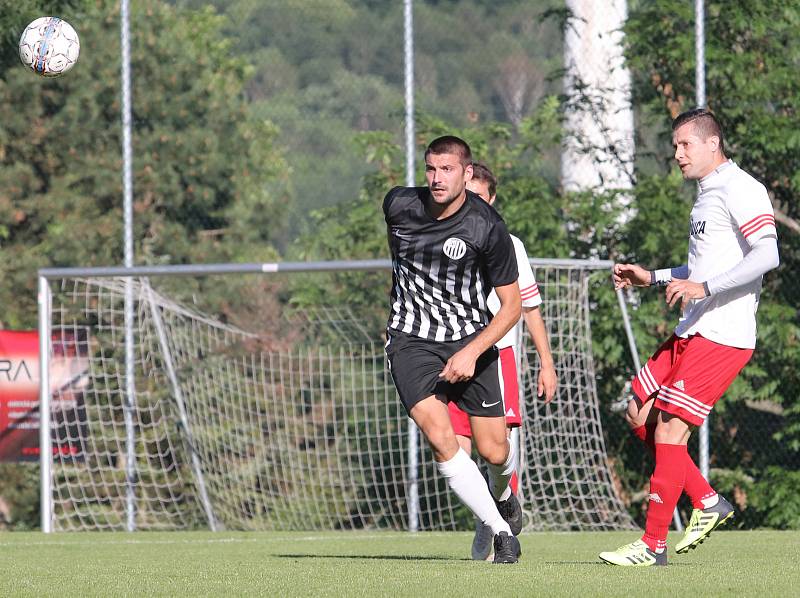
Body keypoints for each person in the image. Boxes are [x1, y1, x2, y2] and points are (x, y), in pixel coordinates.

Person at [600, 108, 779, 566]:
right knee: (638, 410)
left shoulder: (741, 187)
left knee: (670, 429)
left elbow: (768, 255)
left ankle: (653, 545)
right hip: (692, 327)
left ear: (712, 144)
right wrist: (653, 277)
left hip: (722, 333)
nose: (676, 154)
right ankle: (706, 500)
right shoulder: (706, 194)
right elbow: (701, 269)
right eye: (675, 145)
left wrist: (704, 288)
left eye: (685, 145)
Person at [383, 136, 523, 564]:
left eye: (446, 170)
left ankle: (503, 499)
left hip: (470, 341)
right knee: (442, 439)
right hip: (410, 340)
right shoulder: (398, 206)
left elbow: (512, 306)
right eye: (430, 169)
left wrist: (470, 352)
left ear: (467, 174)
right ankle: (501, 534)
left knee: (495, 451)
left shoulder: (487, 226)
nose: (436, 178)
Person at [445, 162, 557, 560]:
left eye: (478, 197)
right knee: (453, 449)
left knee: (496, 451)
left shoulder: (509, 244)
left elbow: (528, 308)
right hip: (451, 356)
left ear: (491, 201)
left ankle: (502, 504)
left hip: (496, 357)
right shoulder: (443, 240)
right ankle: (492, 522)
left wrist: (546, 362)